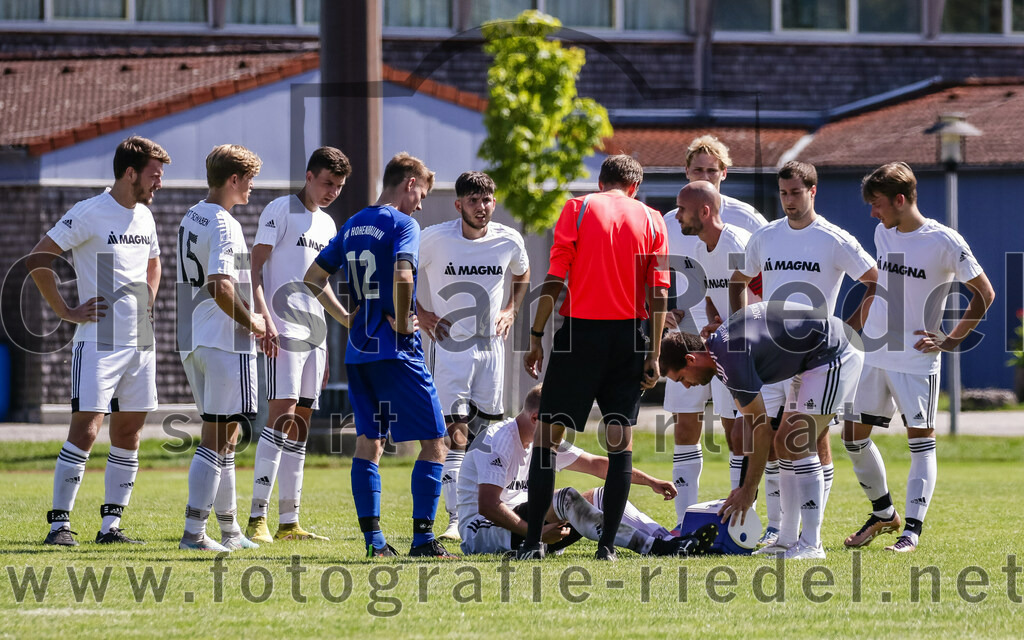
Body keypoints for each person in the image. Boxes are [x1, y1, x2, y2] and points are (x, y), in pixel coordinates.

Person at [520, 154, 670, 561]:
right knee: (620, 443)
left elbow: (556, 277)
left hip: (580, 334)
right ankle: (606, 549)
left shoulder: (578, 207)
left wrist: (535, 335)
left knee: (548, 441)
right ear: (635, 187)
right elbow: (659, 292)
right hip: (630, 336)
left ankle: (533, 543)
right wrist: (653, 353)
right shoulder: (654, 219)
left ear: (600, 181)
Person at [305, 152, 455, 558]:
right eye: (421, 194)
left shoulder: (352, 223)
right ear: (408, 183)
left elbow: (313, 278)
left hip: (359, 352)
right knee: (435, 441)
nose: (420, 204)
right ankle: (423, 540)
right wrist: (407, 321)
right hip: (396, 351)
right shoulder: (403, 223)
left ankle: (375, 543)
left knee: (368, 442)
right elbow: (404, 274)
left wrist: (347, 318)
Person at [843, 162, 994, 553]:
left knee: (920, 443)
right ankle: (883, 514)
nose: (873, 213)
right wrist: (850, 329)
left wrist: (949, 340)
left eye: (877, 204)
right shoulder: (882, 232)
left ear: (899, 199)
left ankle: (912, 530)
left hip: (916, 359)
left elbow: (985, 293)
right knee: (853, 439)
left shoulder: (945, 241)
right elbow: (880, 288)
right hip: (874, 353)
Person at [28, 136, 170, 546]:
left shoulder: (145, 216)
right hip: (98, 342)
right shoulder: (88, 212)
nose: (158, 184)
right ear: (130, 173)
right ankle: (59, 526)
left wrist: (149, 299)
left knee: (130, 432)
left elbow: (154, 262)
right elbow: (38, 260)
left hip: (141, 342)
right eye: (154, 175)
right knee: (87, 430)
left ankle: (111, 527)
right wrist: (65, 311)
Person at [730, 161, 877, 548]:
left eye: (796, 193)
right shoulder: (766, 236)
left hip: (820, 356)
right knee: (780, 441)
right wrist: (742, 325)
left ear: (813, 192)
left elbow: (875, 280)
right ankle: (782, 534)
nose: (788, 201)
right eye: (783, 193)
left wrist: (850, 328)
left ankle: (809, 540)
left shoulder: (834, 238)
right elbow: (739, 280)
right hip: (776, 357)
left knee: (803, 440)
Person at [660, 301, 864, 559]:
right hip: (814, 358)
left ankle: (812, 544)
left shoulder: (729, 361)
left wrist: (748, 491)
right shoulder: (721, 349)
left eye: (681, 379)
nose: (687, 387)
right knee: (784, 443)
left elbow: (761, 430)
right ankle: (788, 539)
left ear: (690, 359)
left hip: (836, 351)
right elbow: (758, 429)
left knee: (794, 442)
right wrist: (746, 486)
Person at [457, 385, 717, 557]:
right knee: (565, 497)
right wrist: (533, 533)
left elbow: (597, 464)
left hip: (529, 527)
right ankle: (657, 548)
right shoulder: (496, 441)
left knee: (605, 495)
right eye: (558, 423)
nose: (561, 430)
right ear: (536, 418)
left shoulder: (544, 436)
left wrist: (650, 482)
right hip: (484, 532)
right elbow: (487, 506)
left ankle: (672, 542)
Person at [245, 147, 352, 544]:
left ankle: (289, 521)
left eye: (339, 187)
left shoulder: (328, 224)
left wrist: (343, 321)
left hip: (314, 337)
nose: (332, 192)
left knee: (301, 426)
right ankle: (257, 517)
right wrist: (264, 319)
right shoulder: (279, 210)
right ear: (309, 176)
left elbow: (316, 283)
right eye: (327, 183)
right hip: (282, 332)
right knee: (280, 419)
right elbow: (254, 269)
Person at [417, 171, 530, 542]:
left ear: (494, 202)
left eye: (486, 201)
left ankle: (485, 510)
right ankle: (454, 519)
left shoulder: (508, 239)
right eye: (473, 201)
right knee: (455, 434)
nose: (481, 208)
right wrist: (421, 313)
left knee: (487, 435)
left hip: (491, 347)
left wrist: (511, 309)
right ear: (458, 205)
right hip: (450, 347)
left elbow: (523, 272)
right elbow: (401, 271)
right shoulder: (433, 238)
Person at [662, 135, 767, 532]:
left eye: (712, 169)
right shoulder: (672, 220)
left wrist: (735, 324)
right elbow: (654, 272)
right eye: (697, 169)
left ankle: (738, 516)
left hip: (735, 337)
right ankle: (684, 520)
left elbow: (761, 281)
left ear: (724, 173)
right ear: (686, 172)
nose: (705, 174)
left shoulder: (747, 220)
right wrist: (663, 311)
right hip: (687, 335)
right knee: (686, 423)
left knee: (736, 428)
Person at [177, 144, 266, 552]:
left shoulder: (192, 214)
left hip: (195, 338)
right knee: (218, 437)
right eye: (249, 180)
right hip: (224, 341)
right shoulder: (226, 224)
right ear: (233, 179)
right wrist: (255, 322)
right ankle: (194, 534)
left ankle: (229, 530)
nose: (252, 188)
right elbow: (219, 284)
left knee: (225, 436)